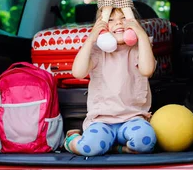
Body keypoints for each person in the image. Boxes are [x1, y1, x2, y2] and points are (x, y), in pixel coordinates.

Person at [64, 8, 157, 155]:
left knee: (145, 142)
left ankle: (115, 148)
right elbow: (78, 72)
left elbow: (147, 70)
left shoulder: (140, 48)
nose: (118, 22)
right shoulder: (97, 51)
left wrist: (141, 34)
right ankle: (72, 139)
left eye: (123, 17)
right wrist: (92, 38)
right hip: (102, 121)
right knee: (88, 147)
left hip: (132, 119)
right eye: (110, 20)